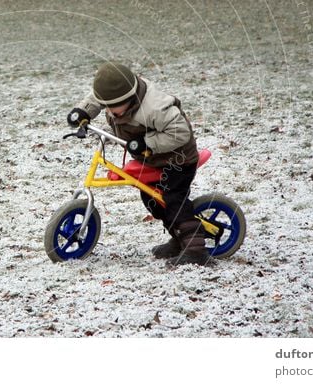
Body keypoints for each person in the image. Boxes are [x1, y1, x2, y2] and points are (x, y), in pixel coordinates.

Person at [66, 61, 210, 266]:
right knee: (152, 199)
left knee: (172, 198)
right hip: (151, 158)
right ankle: (180, 239)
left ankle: (196, 250)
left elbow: (180, 132)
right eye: (105, 105)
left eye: (112, 107)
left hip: (178, 158)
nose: (108, 110)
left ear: (129, 98)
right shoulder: (116, 96)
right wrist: (83, 111)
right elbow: (97, 99)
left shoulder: (154, 107)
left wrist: (147, 143)